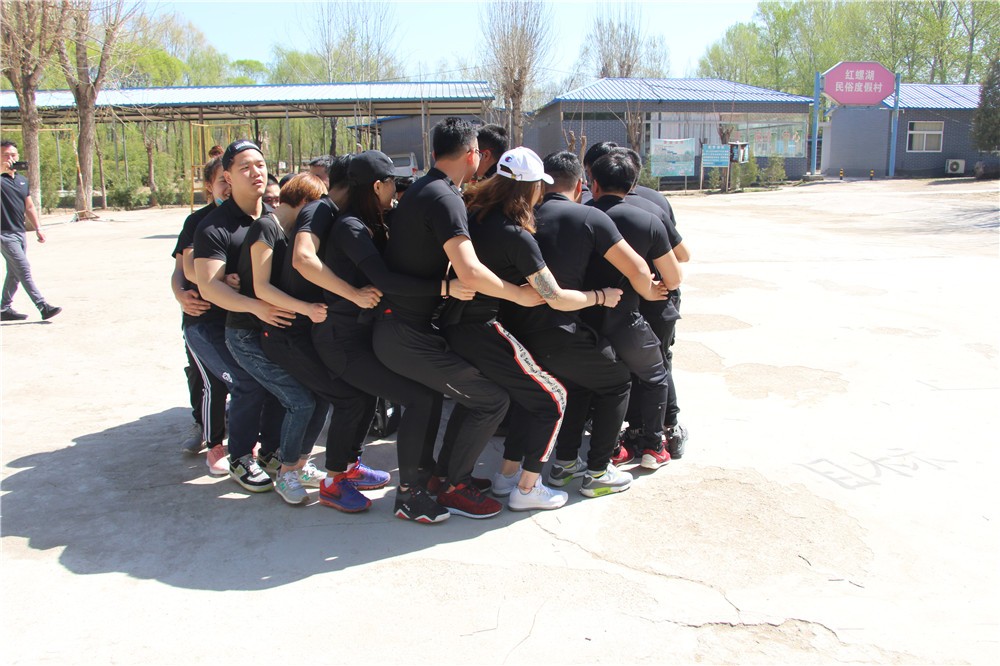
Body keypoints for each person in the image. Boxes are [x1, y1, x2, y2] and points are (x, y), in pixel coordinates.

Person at [372, 117, 540, 519]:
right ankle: (441, 489)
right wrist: (518, 293)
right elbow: (469, 270)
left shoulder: (422, 189)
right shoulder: (445, 198)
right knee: (491, 399)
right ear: (473, 155)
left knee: (441, 397)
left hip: (404, 327)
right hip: (404, 333)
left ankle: (439, 478)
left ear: (433, 153)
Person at [456, 146, 630, 509]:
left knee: (530, 396)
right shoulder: (516, 234)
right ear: (531, 187)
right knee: (561, 397)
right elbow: (553, 297)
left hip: (477, 325)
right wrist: (600, 296)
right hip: (490, 328)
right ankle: (537, 487)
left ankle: (506, 477)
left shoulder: (473, 216)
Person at [316, 150, 469, 522]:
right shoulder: (351, 227)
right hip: (342, 341)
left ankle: (417, 473)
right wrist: (444, 288)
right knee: (417, 398)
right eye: (391, 187)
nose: (395, 194)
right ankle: (400, 493)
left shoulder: (371, 219)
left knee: (424, 395)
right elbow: (384, 282)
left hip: (360, 334)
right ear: (377, 185)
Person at [189, 139, 290, 492]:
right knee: (248, 383)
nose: (255, 172)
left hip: (264, 322)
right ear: (228, 176)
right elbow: (210, 287)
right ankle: (240, 456)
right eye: (244, 167)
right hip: (216, 325)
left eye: (260, 165)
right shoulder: (214, 226)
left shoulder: (274, 218)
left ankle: (272, 452)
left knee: (282, 382)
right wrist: (255, 304)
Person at [226, 172, 331, 505]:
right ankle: (286, 473)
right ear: (303, 201)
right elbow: (261, 288)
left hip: (274, 332)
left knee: (319, 394)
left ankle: (297, 464)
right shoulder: (267, 227)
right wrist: (306, 308)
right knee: (300, 401)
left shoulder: (289, 231)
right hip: (246, 334)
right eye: (316, 206)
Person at [585, 150, 682, 470]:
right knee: (654, 375)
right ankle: (653, 446)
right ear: (631, 185)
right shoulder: (648, 219)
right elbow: (674, 275)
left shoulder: (580, 214)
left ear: (593, 184)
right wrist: (650, 289)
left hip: (583, 315)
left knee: (602, 381)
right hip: (626, 317)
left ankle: (612, 446)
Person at [171, 157, 230, 463]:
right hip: (203, 317)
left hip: (239, 317)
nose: (229, 187)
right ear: (209, 186)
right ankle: (210, 435)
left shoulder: (256, 218)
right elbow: (185, 271)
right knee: (209, 381)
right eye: (222, 181)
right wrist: (180, 293)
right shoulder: (198, 222)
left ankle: (247, 437)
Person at [1, 141, 61, 322]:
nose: (10, 158)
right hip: (3, 233)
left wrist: (38, 228)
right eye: (5, 155)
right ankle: (43, 306)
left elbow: (29, 206)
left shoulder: (22, 181)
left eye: (13, 155)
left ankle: (4, 308)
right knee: (23, 268)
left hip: (19, 232)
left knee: (14, 272)